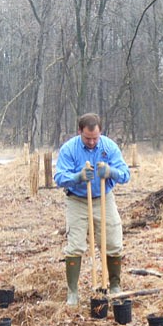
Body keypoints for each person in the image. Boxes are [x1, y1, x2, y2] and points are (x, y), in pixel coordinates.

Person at [54, 113, 131, 305]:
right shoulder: (69, 149)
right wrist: (78, 177)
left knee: (113, 240)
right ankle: (72, 292)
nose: (91, 142)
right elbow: (59, 178)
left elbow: (125, 174)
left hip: (104, 198)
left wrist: (111, 172)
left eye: (95, 138)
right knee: (76, 245)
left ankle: (114, 285)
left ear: (100, 132)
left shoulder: (109, 147)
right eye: (87, 138)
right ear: (80, 131)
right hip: (77, 200)